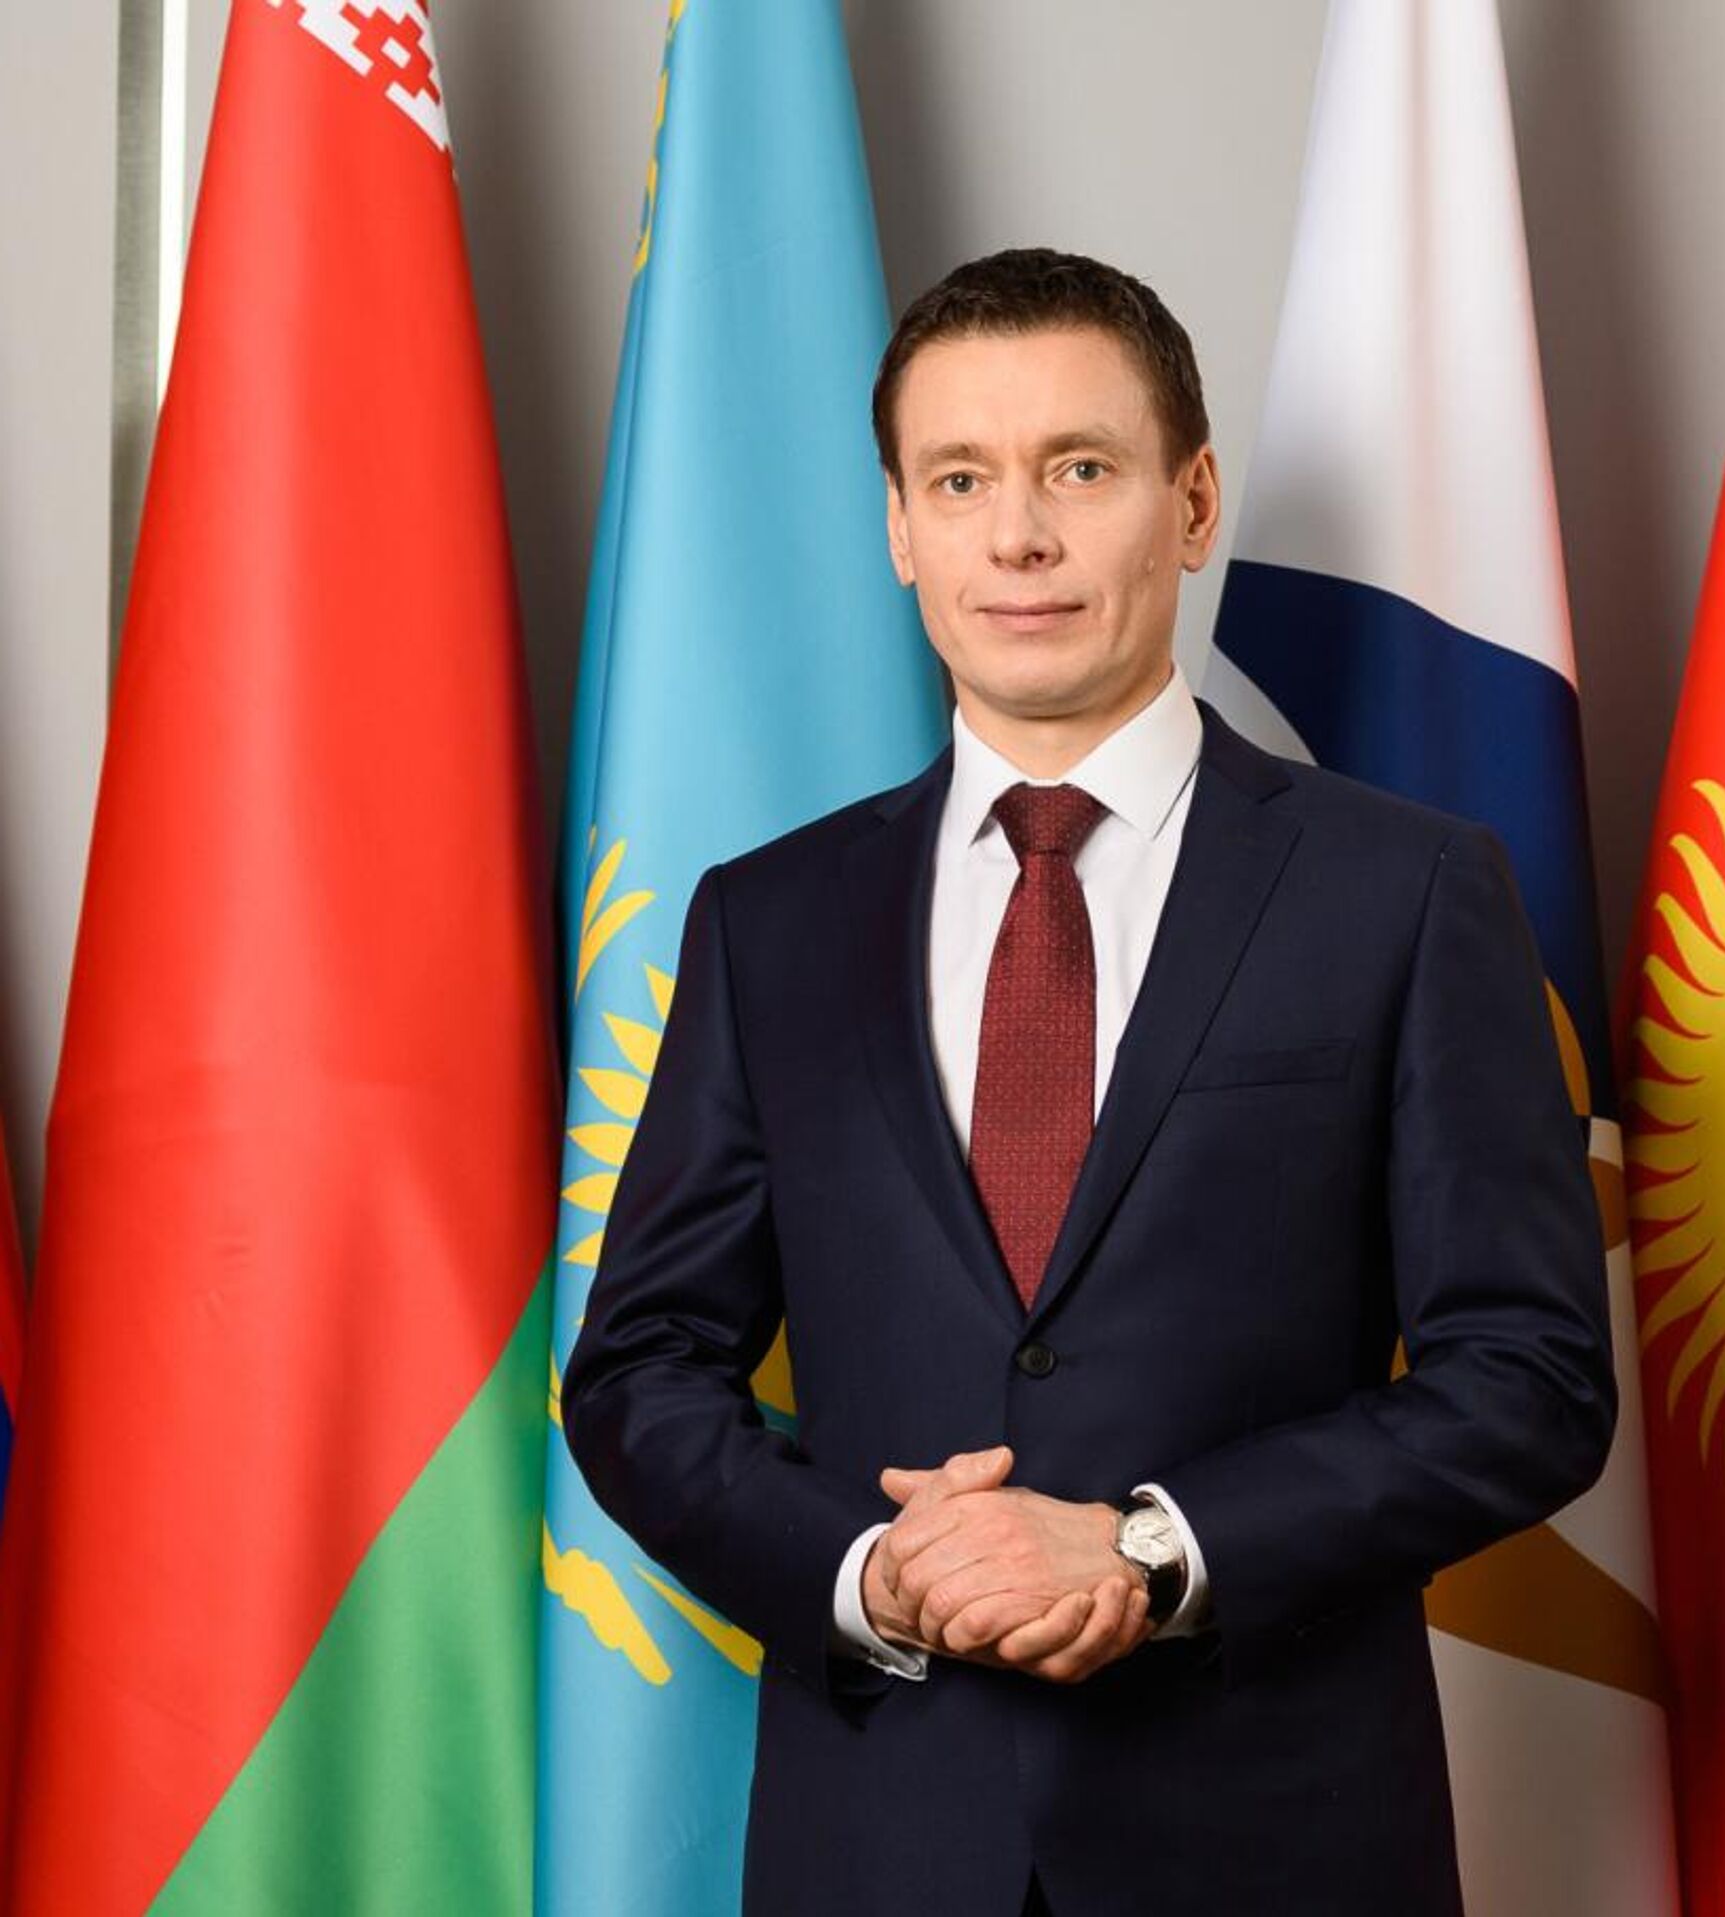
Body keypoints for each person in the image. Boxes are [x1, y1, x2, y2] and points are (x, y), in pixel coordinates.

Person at [562, 247, 1615, 1917]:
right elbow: (639, 1369)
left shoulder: (1407, 892)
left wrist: (1154, 1544)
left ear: (1191, 503)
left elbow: (1532, 1375)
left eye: (1078, 469)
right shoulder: (770, 920)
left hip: (1279, 1849)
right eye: (959, 480)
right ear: (900, 529)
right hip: (879, 1848)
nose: (1018, 537)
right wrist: (873, 1573)